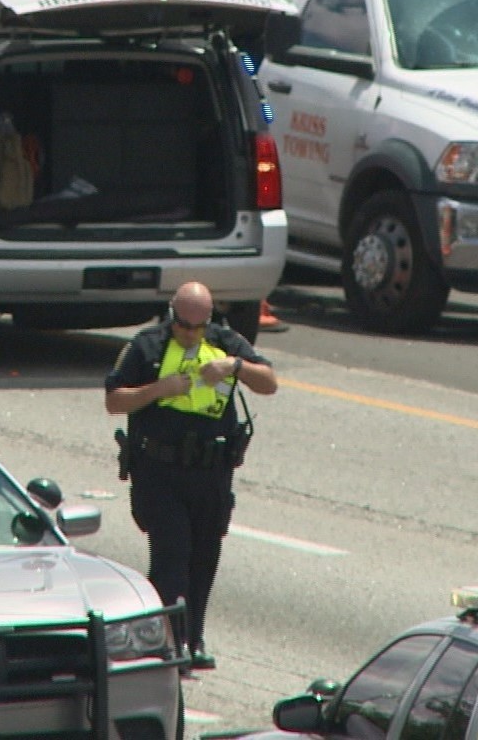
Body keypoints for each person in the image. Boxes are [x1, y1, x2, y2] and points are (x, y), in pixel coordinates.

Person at [105, 281, 277, 672]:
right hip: (160, 474)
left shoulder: (224, 343)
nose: (192, 334)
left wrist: (234, 366)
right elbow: (114, 401)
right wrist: (159, 389)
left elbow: (269, 382)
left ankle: (192, 640)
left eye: (200, 327)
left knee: (204, 558)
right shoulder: (146, 346)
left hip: (211, 473)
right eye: (184, 326)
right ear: (172, 317)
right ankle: (166, 642)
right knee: (172, 558)